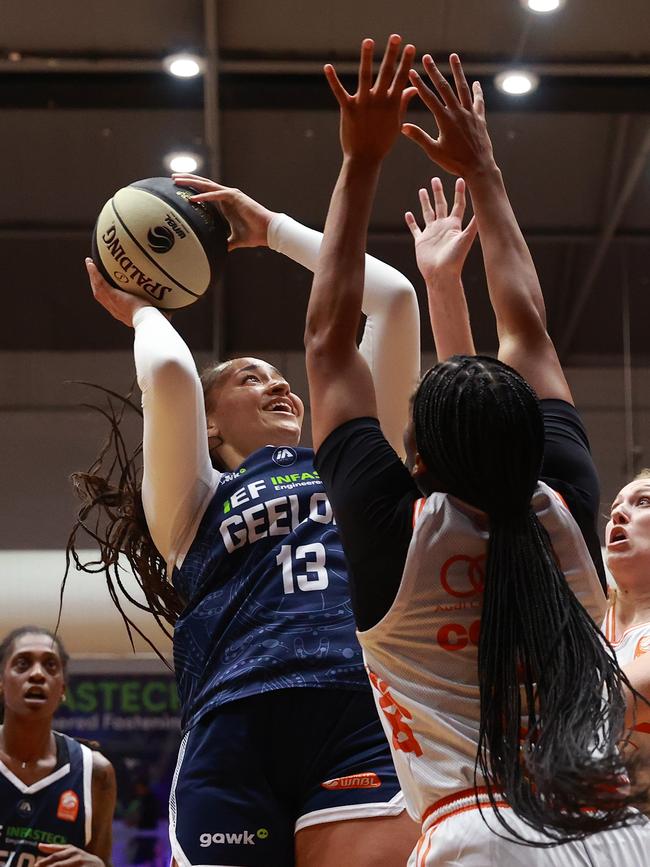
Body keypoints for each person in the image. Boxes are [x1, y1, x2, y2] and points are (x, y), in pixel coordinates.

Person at [304, 39, 650, 864]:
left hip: (478, 833)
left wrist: (360, 163)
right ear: (535, 438)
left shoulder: (398, 538)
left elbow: (329, 338)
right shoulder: (563, 503)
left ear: (415, 459)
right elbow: (526, 323)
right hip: (623, 834)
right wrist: (485, 169)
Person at [72, 138, 421, 863]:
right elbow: (169, 369)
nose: (280, 384)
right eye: (250, 377)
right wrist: (137, 308)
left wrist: (275, 232)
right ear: (206, 419)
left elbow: (393, 301)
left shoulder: (359, 461)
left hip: (359, 706)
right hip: (235, 723)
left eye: (280, 376)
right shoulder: (194, 499)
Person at [0, 626, 116, 867]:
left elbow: (103, 861)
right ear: (1, 682)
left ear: (62, 688)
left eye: (50, 665)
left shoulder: (95, 772)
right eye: (22, 663)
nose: (37, 675)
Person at [604, 470, 650, 797]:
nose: (618, 514)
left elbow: (601, 706)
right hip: (583, 837)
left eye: (643, 502)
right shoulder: (583, 619)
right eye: (615, 507)